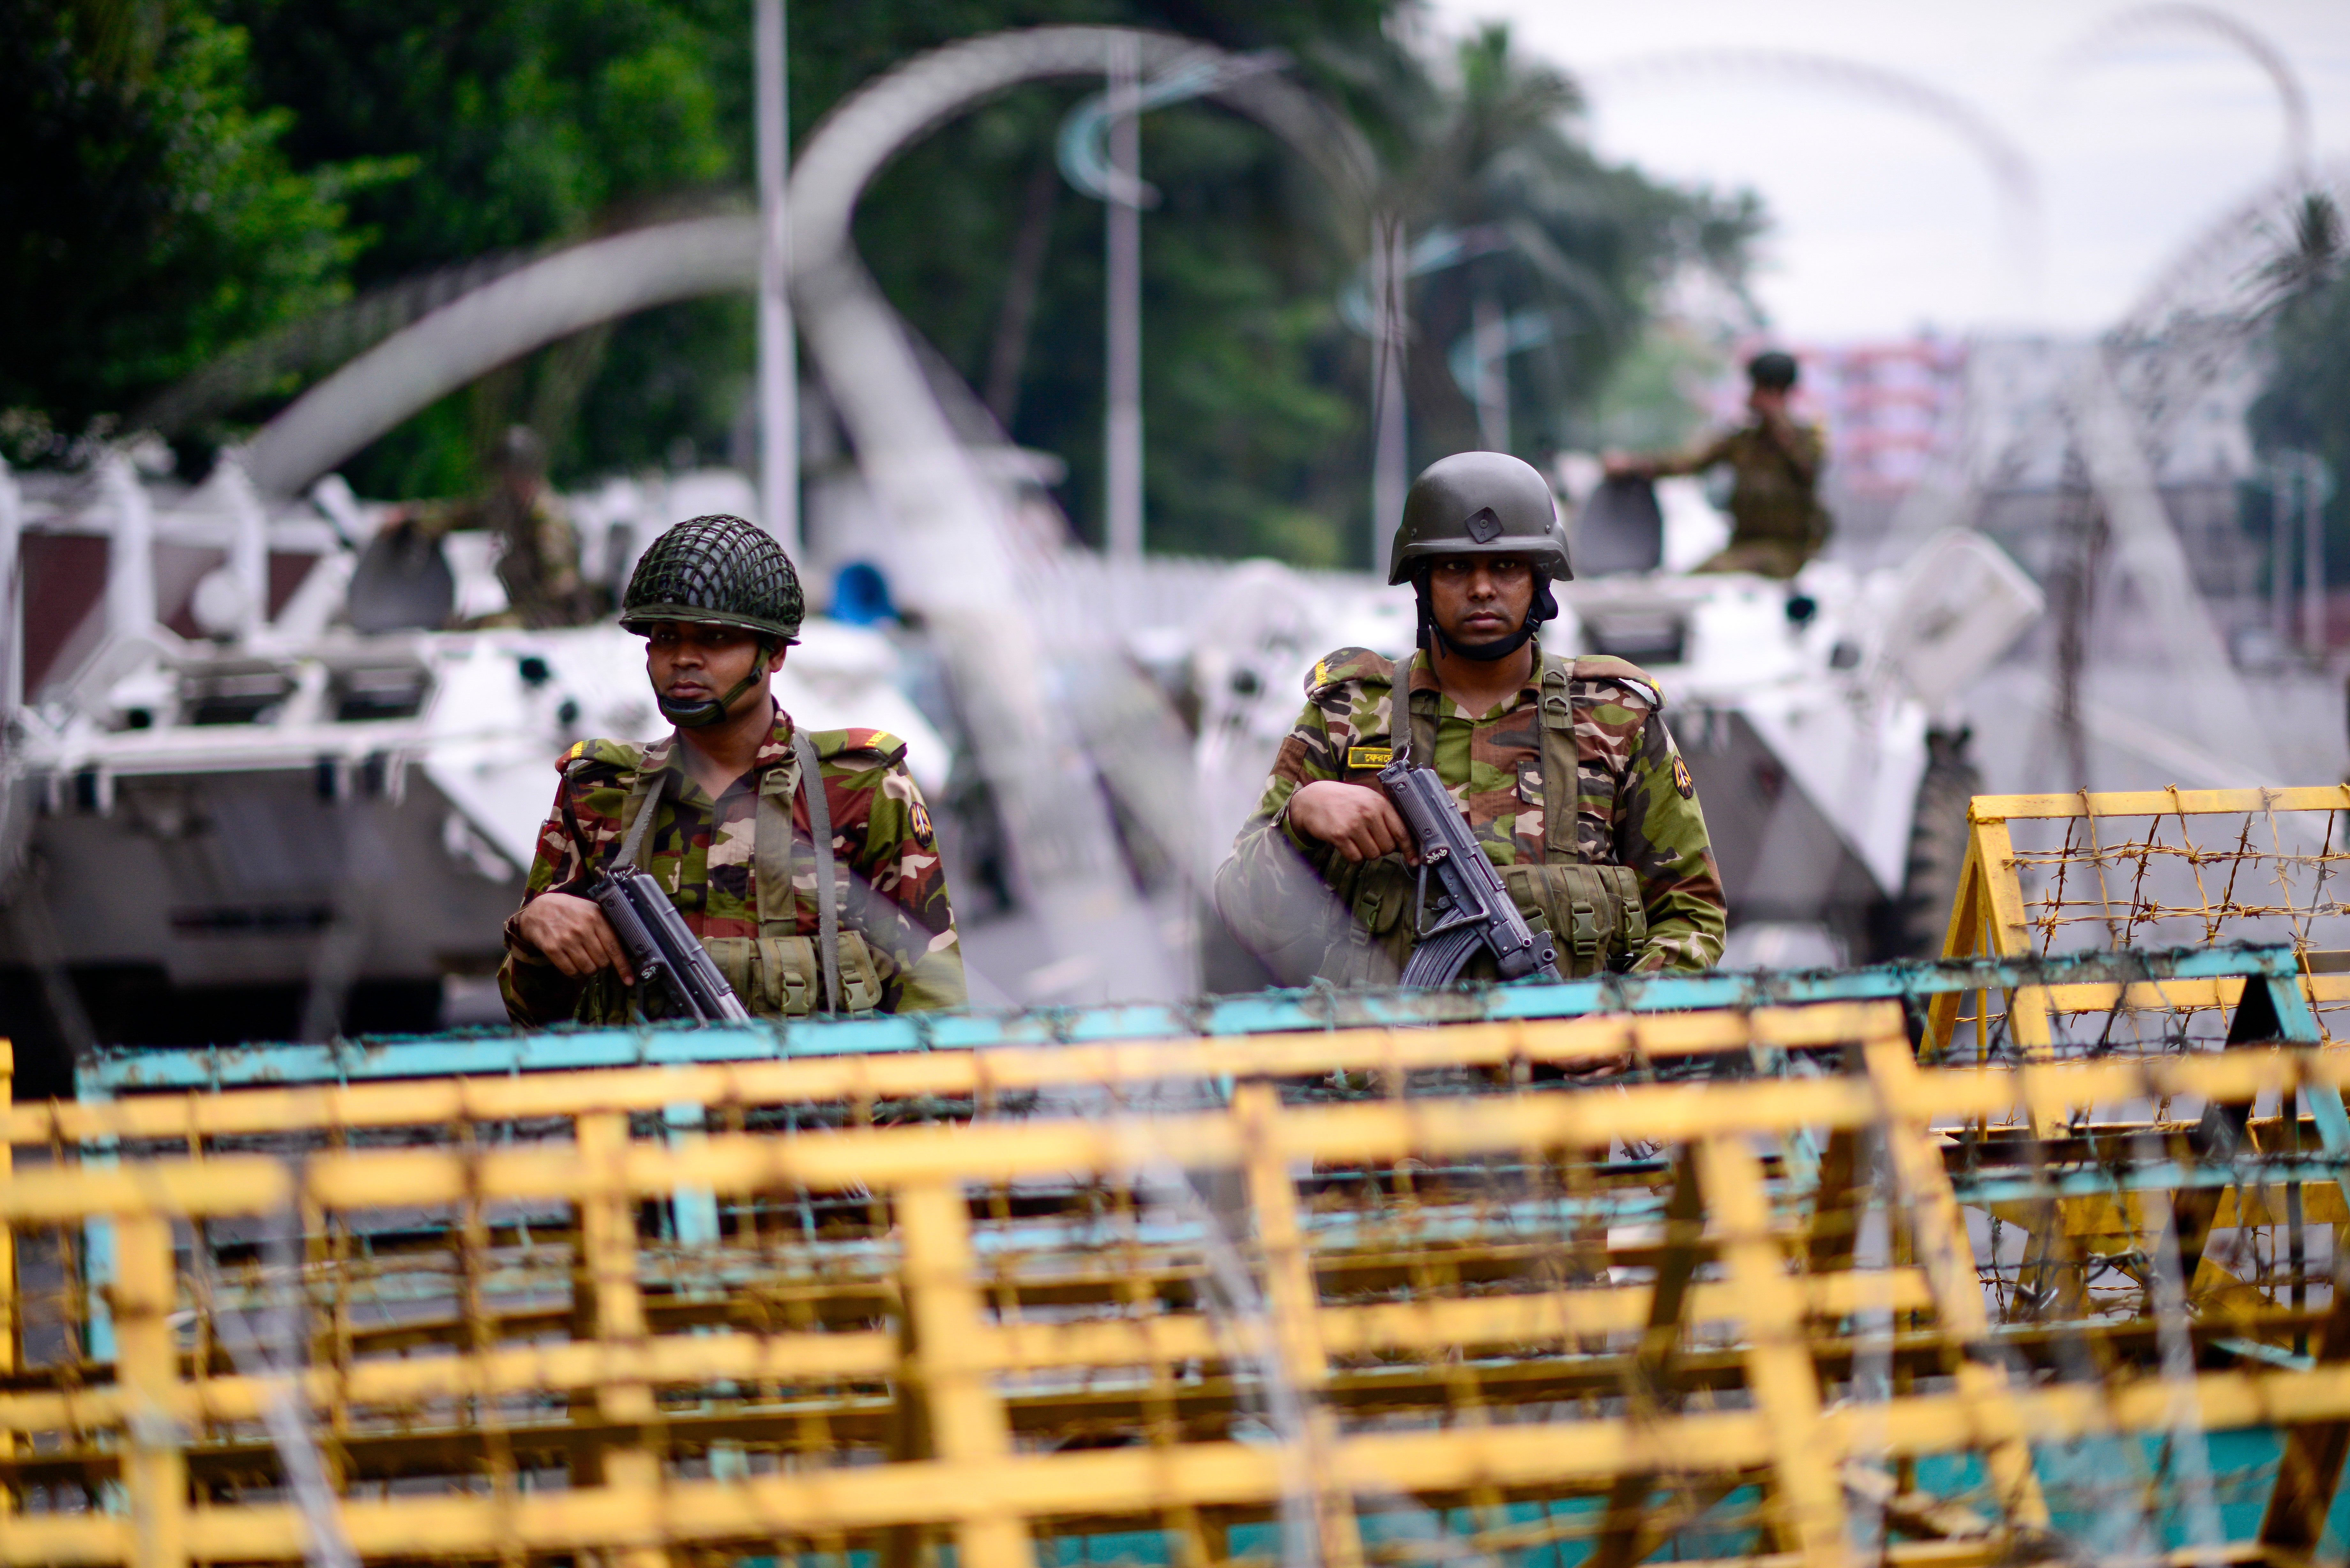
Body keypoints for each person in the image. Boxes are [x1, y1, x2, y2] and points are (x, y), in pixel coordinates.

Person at [1214, 452, 1725, 985]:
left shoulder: (1614, 715)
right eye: (1456, 567)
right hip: (1387, 1063)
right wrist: (1299, 821)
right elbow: (1247, 917)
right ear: (1422, 584)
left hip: (1571, 1065)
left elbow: (1691, 910)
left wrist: (1625, 1022)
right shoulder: (1349, 714)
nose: (1482, 588)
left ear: (1539, 581)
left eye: (1505, 566)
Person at [498, 513, 965, 1023]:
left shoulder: (860, 789)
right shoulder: (599, 793)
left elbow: (935, 1018)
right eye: (667, 637)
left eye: (715, 639)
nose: (684, 659)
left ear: (775, 653)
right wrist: (535, 927)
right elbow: (534, 1013)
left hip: (809, 1104)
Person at [1605, 350, 1829, 580]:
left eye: (1760, 390)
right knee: (1692, 579)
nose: (1751, 398)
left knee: (1714, 572)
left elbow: (1809, 468)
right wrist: (1634, 465)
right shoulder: (1744, 441)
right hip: (1745, 545)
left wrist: (1779, 423)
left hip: (1787, 551)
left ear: (1776, 392)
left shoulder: (1804, 440)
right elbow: (1690, 463)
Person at [407, 425, 598, 628]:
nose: (503, 481)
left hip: (551, 617)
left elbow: (562, 581)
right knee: (456, 627)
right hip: (528, 610)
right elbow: (463, 515)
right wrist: (413, 518)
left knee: (487, 628)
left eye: (508, 473)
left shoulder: (547, 517)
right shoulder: (509, 508)